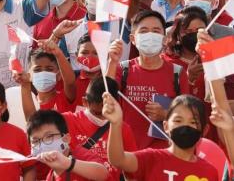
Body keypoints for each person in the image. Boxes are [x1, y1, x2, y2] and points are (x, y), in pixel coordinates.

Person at [106, 10, 189, 149]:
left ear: (164, 38)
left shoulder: (178, 73)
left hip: (163, 154)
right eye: (144, 31)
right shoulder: (122, 69)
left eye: (156, 31)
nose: (150, 35)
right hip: (126, 152)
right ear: (133, 39)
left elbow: (188, 114)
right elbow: (106, 100)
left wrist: (166, 114)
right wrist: (112, 62)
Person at [103, 94, 219, 180]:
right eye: (178, 120)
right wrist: (116, 123)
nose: (185, 126)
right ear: (166, 126)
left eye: (193, 122)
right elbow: (118, 159)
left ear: (204, 130)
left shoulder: (210, 172)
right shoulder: (151, 158)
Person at [61, 77, 137, 180]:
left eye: (109, 112)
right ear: (85, 102)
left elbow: (132, 173)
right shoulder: (65, 121)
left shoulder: (124, 129)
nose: (103, 117)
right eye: (98, 112)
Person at [27, 110, 108, 181]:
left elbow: (103, 173)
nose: (43, 144)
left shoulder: (79, 154)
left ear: (66, 138)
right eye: (35, 141)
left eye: (49, 136)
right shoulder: (50, 176)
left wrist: (67, 163)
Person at [16, 41, 77, 117]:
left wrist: (58, 53)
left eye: (49, 69)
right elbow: (31, 121)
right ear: (29, 75)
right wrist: (24, 84)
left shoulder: (64, 98)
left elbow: (70, 82)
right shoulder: (28, 102)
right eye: (37, 70)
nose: (43, 73)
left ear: (58, 75)